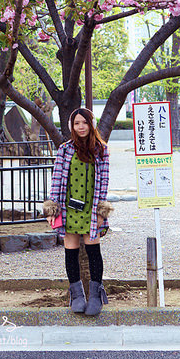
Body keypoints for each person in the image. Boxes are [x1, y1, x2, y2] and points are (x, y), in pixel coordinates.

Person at [43, 107, 113, 316]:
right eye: (76, 123)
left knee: (93, 252)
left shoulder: (101, 149)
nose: (81, 127)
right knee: (71, 253)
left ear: (91, 124)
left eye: (84, 122)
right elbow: (56, 181)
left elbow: (104, 183)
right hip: (67, 208)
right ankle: (77, 296)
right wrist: (52, 209)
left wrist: (102, 211)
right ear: (72, 127)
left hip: (91, 210)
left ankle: (95, 296)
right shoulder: (65, 149)